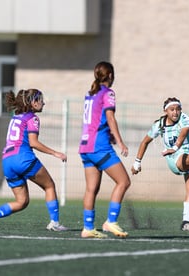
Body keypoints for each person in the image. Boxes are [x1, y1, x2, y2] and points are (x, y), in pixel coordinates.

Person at [0, 89, 68, 231]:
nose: (43, 102)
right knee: (49, 186)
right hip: (23, 159)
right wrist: (55, 153)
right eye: (40, 99)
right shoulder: (32, 118)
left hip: (7, 161)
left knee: (22, 201)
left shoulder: (16, 116)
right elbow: (33, 143)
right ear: (32, 102)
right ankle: (54, 223)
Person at [131, 97, 189, 231]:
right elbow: (144, 142)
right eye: (172, 110)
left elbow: (183, 133)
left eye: (178, 109)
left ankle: (186, 223)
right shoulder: (159, 125)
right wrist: (137, 162)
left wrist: (175, 146)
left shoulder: (185, 118)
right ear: (165, 111)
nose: (175, 112)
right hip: (174, 159)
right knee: (184, 159)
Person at [79, 61, 131, 238]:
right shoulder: (108, 93)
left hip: (85, 146)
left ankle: (88, 228)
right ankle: (111, 221)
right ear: (110, 75)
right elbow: (110, 117)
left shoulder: (90, 93)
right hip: (99, 147)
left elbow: (94, 118)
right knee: (123, 182)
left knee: (91, 189)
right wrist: (120, 141)